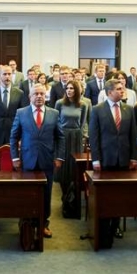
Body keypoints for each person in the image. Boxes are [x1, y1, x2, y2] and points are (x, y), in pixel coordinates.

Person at [11, 84, 64, 239]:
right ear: (30, 97)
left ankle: (43, 224)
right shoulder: (21, 113)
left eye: (42, 94)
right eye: (36, 94)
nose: (39, 96)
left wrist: (59, 157)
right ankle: (27, 222)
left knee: (46, 194)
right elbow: (14, 137)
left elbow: (60, 137)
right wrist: (15, 157)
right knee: (28, 194)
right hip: (27, 161)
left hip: (47, 160)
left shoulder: (54, 113)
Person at [89, 79, 137, 239]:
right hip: (105, 159)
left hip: (123, 159)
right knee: (106, 196)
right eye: (119, 89)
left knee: (119, 195)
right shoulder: (97, 110)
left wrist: (134, 158)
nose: (122, 91)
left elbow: (132, 135)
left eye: (122, 88)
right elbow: (94, 136)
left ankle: (116, 226)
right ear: (109, 92)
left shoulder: (128, 109)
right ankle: (103, 226)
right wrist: (95, 159)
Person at [55, 80, 90, 218]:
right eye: (67, 88)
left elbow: (83, 123)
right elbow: (56, 121)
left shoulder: (83, 104)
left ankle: (72, 197)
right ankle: (65, 196)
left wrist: (81, 137)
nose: (69, 90)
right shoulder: (59, 103)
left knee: (74, 168)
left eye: (72, 88)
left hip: (76, 137)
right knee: (63, 168)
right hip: (62, 135)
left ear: (77, 90)